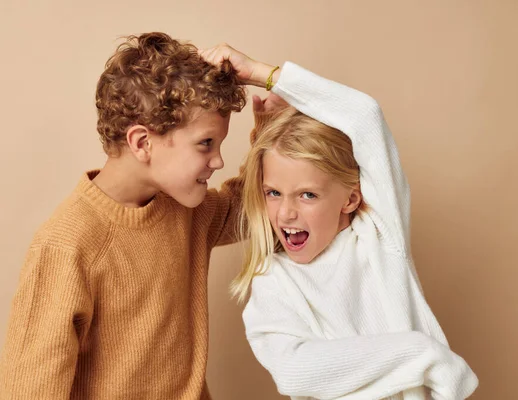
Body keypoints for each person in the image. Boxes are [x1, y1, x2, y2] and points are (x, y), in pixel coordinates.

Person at [0, 33, 270, 399]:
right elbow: (30, 389)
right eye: (206, 143)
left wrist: (269, 130)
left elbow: (253, 204)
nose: (219, 160)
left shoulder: (185, 210)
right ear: (142, 143)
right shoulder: (66, 245)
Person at [201, 45, 479, 399]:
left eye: (307, 195)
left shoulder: (379, 235)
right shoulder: (273, 280)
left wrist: (264, 75)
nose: (286, 213)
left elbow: (365, 116)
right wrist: (419, 352)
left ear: (350, 198)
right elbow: (294, 372)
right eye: (273, 193)